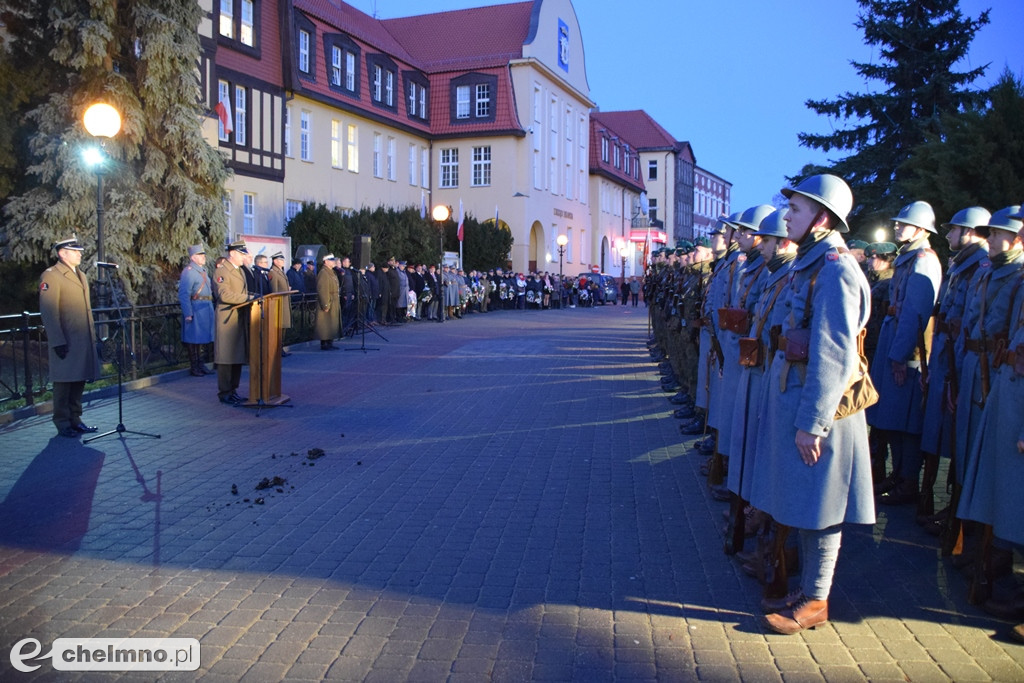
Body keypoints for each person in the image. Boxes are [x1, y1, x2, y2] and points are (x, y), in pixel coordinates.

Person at [747, 174, 873, 635]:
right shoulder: (812, 263)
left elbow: (834, 355)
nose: (786, 216)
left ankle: (817, 599)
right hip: (800, 403)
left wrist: (813, 424)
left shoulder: (835, 269)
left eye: (796, 210)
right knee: (805, 501)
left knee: (822, 508)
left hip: (820, 414)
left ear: (821, 218)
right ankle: (810, 591)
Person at [867, 201, 942, 505]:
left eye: (904, 223)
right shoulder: (909, 258)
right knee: (893, 418)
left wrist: (901, 355)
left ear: (921, 229)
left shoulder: (923, 260)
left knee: (907, 420)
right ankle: (898, 476)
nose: (897, 226)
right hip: (894, 339)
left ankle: (908, 481)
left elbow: (915, 314)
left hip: (908, 349)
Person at [39, 235, 101, 437]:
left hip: (81, 339)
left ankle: (76, 419)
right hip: (66, 339)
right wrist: (57, 341)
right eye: (75, 251)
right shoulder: (52, 276)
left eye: (79, 251)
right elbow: (49, 311)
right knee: (64, 382)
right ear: (62, 253)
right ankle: (62, 422)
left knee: (78, 380)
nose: (79, 254)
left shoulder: (80, 274)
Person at [213, 239, 252, 404]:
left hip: (239, 318)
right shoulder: (222, 271)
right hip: (227, 319)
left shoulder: (239, 270)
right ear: (233, 253)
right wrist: (248, 298)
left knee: (237, 356)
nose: (244, 256)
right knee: (226, 357)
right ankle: (225, 392)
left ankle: (233, 389)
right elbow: (224, 295)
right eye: (242, 253)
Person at [178, 244, 214, 377]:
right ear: (193, 257)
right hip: (196, 308)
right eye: (200, 255)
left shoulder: (201, 270)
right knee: (193, 340)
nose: (203, 257)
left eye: (203, 254)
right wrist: (188, 313)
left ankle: (201, 364)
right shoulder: (189, 272)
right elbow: (183, 294)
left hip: (205, 307)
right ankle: (195, 366)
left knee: (202, 339)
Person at [268, 252, 292, 356]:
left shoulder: (280, 271)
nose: (283, 262)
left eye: (283, 260)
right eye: (281, 260)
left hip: (284, 302)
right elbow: (274, 290)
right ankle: (277, 349)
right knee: (279, 327)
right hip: (279, 303)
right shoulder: (273, 272)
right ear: (275, 261)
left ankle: (280, 347)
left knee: (283, 327)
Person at [316, 253, 341, 349]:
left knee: (331, 322)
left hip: (333, 300)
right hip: (328, 300)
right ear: (326, 261)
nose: (333, 262)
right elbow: (322, 289)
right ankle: (324, 342)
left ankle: (330, 342)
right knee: (325, 323)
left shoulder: (331, 272)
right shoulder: (323, 272)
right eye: (331, 260)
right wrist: (325, 304)